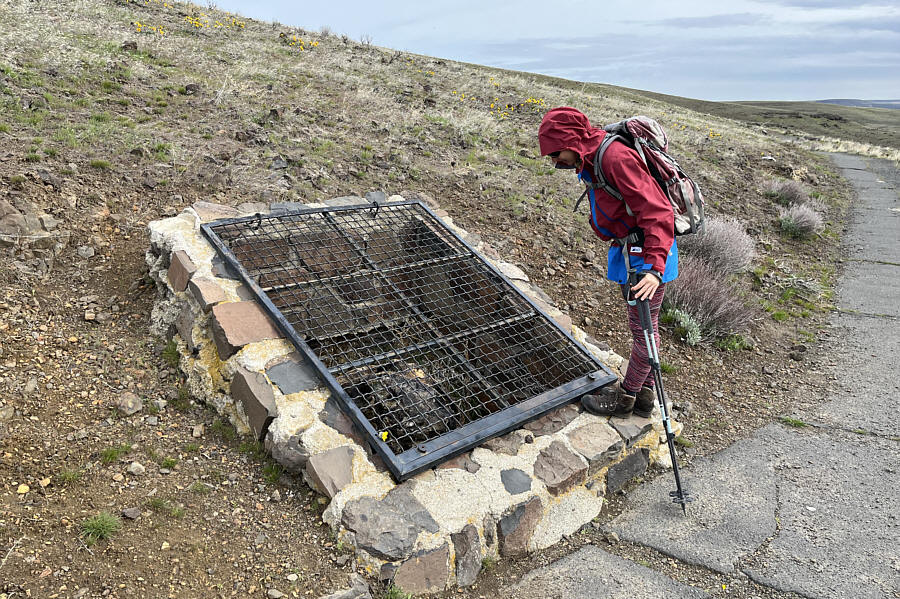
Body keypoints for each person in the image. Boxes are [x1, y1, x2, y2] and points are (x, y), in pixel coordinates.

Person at [538, 106, 678, 418]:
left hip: (646, 257)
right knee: (644, 326)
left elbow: (658, 211)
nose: (554, 161)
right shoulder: (592, 159)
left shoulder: (614, 158)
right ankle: (645, 397)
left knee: (644, 331)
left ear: (571, 141)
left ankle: (625, 398)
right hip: (632, 250)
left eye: (555, 152)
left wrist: (654, 269)